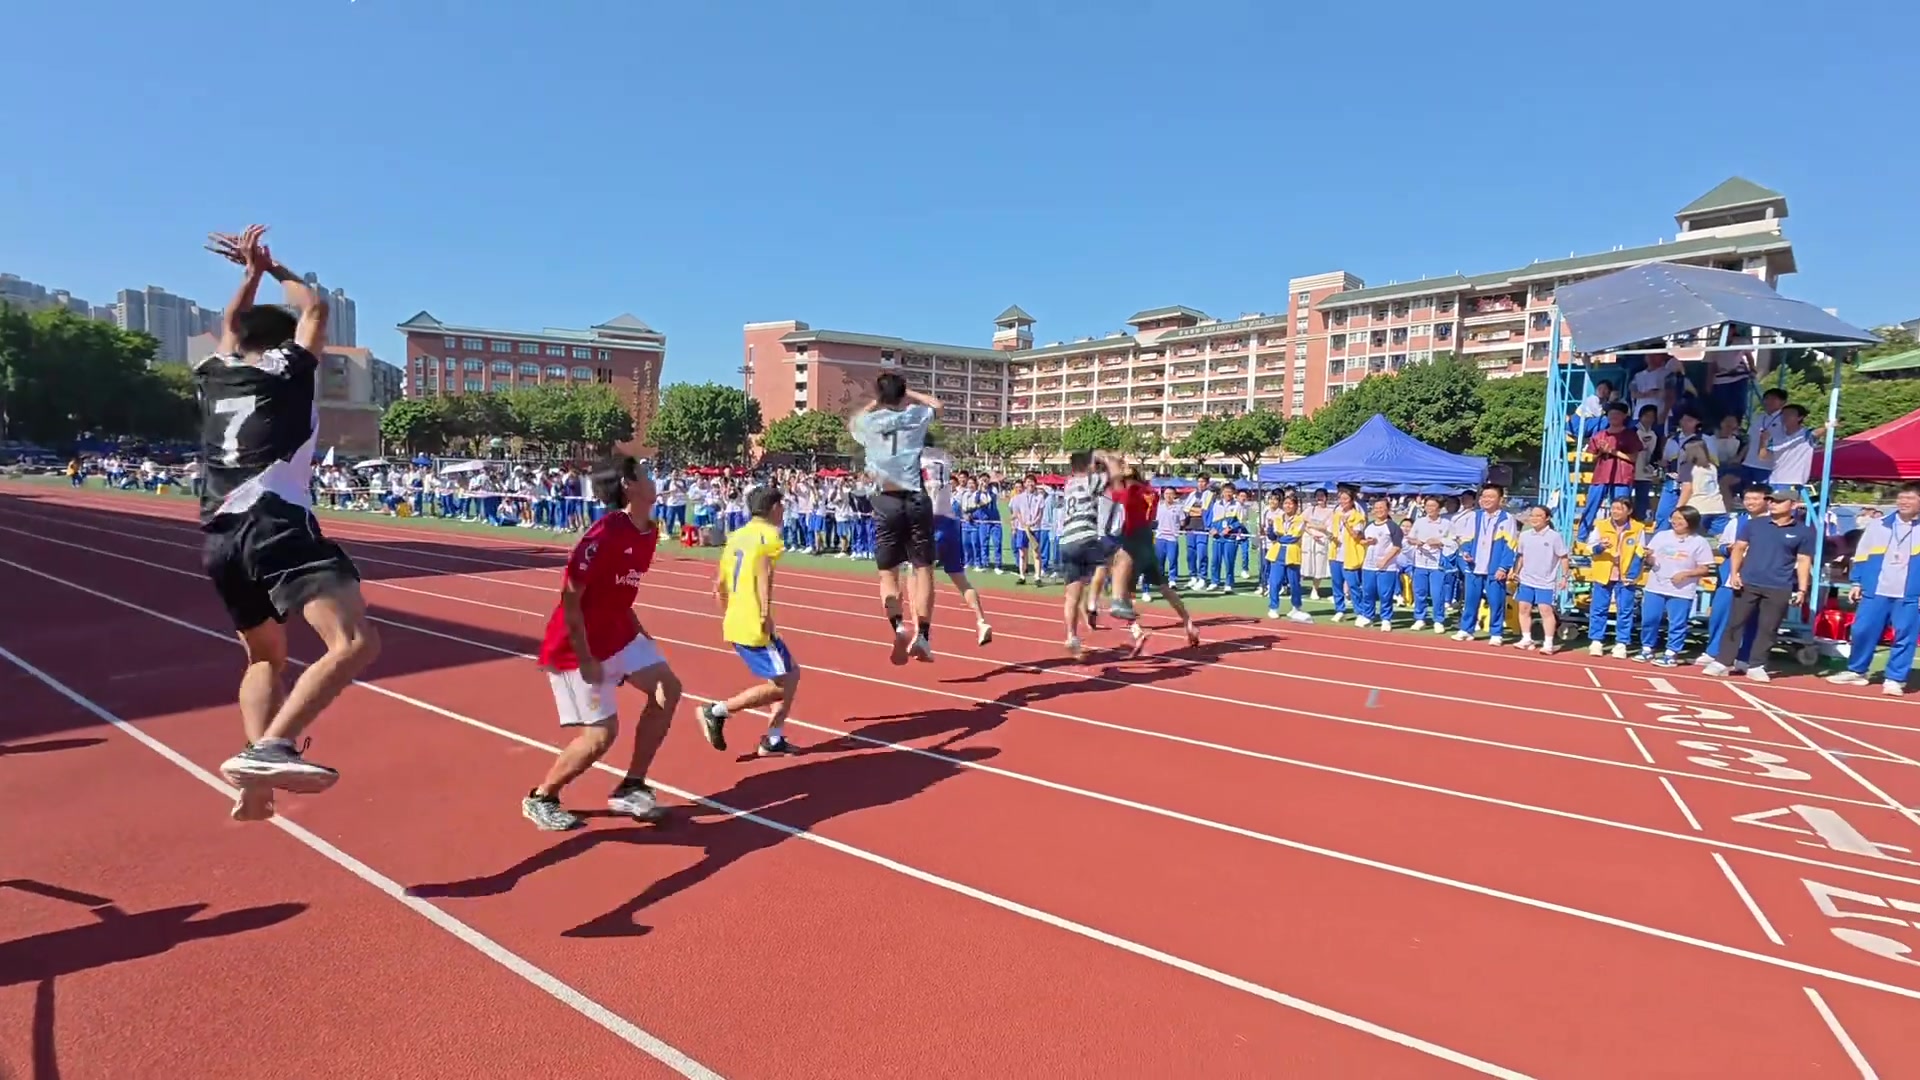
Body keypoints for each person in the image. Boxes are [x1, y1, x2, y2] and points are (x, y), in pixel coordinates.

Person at [198, 226, 379, 822]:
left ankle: (255, 779)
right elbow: (317, 306)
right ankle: (273, 747)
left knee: (262, 659)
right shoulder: (288, 370)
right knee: (352, 641)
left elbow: (231, 325)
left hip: (220, 537)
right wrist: (277, 270)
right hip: (273, 517)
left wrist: (248, 275)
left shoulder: (218, 374)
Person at [523, 457, 681, 831]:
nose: (653, 479)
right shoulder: (602, 535)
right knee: (600, 736)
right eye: (646, 474)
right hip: (576, 647)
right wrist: (585, 656)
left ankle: (631, 786)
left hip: (619, 633)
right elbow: (571, 597)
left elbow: (620, 592)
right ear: (629, 484)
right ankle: (542, 796)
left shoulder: (649, 531)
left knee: (667, 689)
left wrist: (639, 631)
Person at [698, 485, 802, 755]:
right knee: (781, 685)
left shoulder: (737, 536)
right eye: (782, 505)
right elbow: (764, 573)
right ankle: (717, 711)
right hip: (755, 621)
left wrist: (730, 615)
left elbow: (719, 584)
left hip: (737, 618)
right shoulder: (769, 536)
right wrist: (765, 614)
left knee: (790, 675)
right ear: (774, 507)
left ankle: (774, 739)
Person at [847, 372, 940, 664]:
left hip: (884, 499)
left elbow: (854, 419)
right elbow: (937, 404)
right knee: (922, 568)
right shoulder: (915, 416)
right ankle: (923, 635)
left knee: (888, 572)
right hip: (915, 496)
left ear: (880, 395)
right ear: (901, 395)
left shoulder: (869, 423)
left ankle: (898, 624)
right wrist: (909, 394)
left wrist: (878, 401)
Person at [1703, 487, 1815, 683]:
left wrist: (1802, 589)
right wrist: (1735, 573)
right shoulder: (1754, 525)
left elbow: (1804, 560)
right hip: (1749, 582)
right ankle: (1722, 661)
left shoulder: (1803, 532)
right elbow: (1739, 548)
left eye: (1779, 501)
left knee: (1768, 628)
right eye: (1771, 500)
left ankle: (1756, 665)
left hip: (1779, 586)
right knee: (1735, 623)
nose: (1773, 503)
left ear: (1794, 505)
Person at [1829, 481, 1920, 696]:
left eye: (1910, 498)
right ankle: (1857, 670)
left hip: (1910, 594)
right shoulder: (1878, 525)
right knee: (1861, 630)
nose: (1903, 502)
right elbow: (1862, 554)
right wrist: (1857, 581)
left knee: (1905, 636)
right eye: (1901, 497)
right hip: (1876, 589)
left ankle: (1895, 678)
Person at [918, 435, 995, 645]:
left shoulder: (918, 460)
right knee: (960, 578)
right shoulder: (945, 460)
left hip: (929, 522)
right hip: (951, 523)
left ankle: (922, 635)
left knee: (921, 578)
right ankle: (981, 620)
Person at [1056, 449, 1124, 660]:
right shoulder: (1090, 481)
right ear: (1088, 466)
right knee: (1113, 564)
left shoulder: (1069, 484)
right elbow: (1116, 474)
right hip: (1085, 539)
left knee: (1072, 595)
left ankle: (1071, 636)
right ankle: (1098, 605)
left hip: (1066, 541)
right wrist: (1105, 457)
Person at [1638, 506, 1716, 667]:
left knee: (1677, 623)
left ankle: (1671, 653)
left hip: (1681, 590)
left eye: (1680, 519)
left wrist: (1685, 574)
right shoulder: (1661, 536)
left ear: (1690, 521)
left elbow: (1705, 568)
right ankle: (1647, 648)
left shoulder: (1699, 542)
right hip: (1655, 586)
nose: (1676, 522)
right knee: (1650, 619)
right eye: (1674, 518)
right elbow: (1650, 559)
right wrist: (1648, 558)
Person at [1510, 504, 1570, 654]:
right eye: (1532, 515)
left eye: (1539, 516)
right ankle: (1526, 638)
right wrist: (1515, 571)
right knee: (1524, 608)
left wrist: (1564, 577)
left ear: (1547, 518)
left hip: (1546, 581)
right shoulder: (1525, 535)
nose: (1534, 519)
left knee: (1545, 610)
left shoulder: (1554, 536)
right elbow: (1521, 556)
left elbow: (1563, 557)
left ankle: (1548, 642)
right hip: (1526, 579)